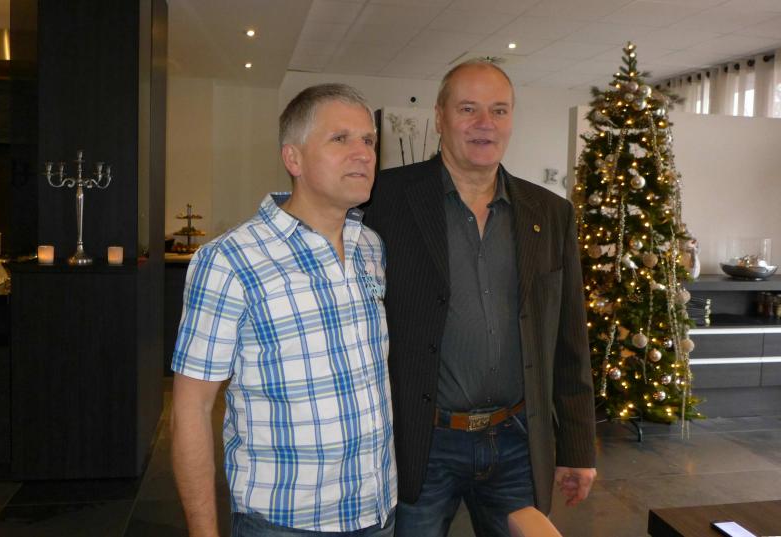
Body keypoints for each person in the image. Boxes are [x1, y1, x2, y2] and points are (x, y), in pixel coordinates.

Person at [363, 60, 596, 537]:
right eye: (468, 109)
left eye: (499, 110)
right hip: (422, 443)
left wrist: (577, 447)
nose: (485, 123)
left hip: (516, 441)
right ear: (440, 117)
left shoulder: (551, 213)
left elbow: (569, 340)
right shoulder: (384, 200)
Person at [171, 83, 396, 537]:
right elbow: (191, 409)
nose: (363, 154)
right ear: (293, 159)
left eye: (368, 140)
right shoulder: (229, 260)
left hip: (377, 512)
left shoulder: (370, 247)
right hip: (284, 521)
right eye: (340, 139)